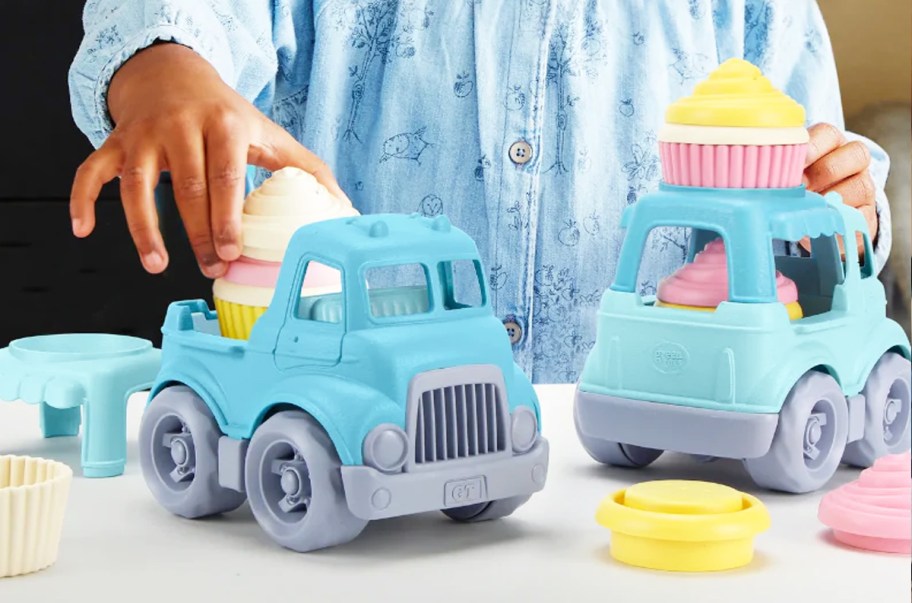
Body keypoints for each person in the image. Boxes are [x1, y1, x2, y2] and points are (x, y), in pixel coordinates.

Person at [68, 0, 892, 383]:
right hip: (358, 434)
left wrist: (842, 210)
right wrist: (164, 67)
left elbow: (819, 205)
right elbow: (173, 19)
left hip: (660, 458)